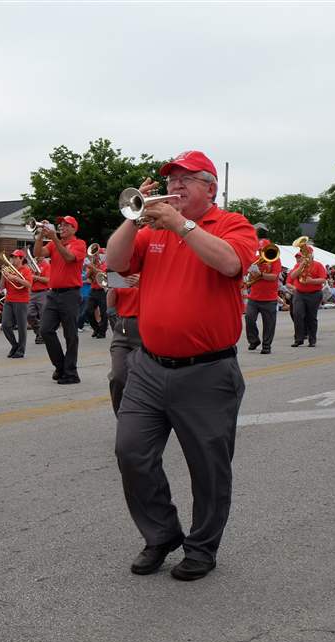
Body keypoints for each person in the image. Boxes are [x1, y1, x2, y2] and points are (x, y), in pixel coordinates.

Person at [105, 150, 257, 582]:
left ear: (210, 187)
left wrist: (182, 226)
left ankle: (202, 546)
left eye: (186, 179)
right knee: (131, 451)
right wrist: (133, 219)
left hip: (208, 371)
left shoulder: (232, 224)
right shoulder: (153, 228)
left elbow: (230, 262)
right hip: (150, 366)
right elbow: (116, 264)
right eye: (172, 179)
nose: (176, 187)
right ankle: (161, 534)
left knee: (208, 467)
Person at [35, 216, 86, 384]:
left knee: (70, 335)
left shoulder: (79, 244)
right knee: (45, 329)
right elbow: (37, 254)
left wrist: (55, 239)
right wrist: (41, 236)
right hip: (53, 294)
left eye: (66, 225)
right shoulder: (53, 243)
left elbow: (69, 258)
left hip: (70, 294)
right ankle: (61, 366)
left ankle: (71, 373)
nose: (62, 227)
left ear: (74, 229)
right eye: (60, 225)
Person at [107, 272, 141, 415]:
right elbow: (110, 305)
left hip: (146, 327)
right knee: (117, 376)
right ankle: (123, 418)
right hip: (122, 328)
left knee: (146, 380)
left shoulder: (153, 270)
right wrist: (111, 289)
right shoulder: (121, 273)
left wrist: (142, 283)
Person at [243, 239, 282, 354]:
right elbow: (250, 278)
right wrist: (251, 275)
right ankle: (254, 341)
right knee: (249, 318)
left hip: (269, 298)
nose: (260, 253)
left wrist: (260, 274)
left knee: (269, 324)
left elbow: (274, 277)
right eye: (259, 250)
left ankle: (266, 346)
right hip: (254, 297)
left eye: (262, 250)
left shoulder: (275, 260)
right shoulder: (255, 260)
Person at [287, 240, 326, 347]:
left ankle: (312, 340)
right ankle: (299, 339)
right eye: (303, 254)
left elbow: (323, 280)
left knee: (311, 317)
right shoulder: (299, 265)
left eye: (306, 254)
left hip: (314, 294)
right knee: (297, 314)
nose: (304, 256)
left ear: (311, 255)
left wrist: (312, 281)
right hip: (300, 293)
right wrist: (301, 267)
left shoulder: (318, 265)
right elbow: (292, 277)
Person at [0, 249, 33, 358]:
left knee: (21, 326)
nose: (13, 259)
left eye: (15, 257)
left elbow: (28, 285)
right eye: (12, 257)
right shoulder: (9, 269)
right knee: (5, 325)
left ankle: (21, 350)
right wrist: (3, 275)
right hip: (9, 300)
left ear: (21, 258)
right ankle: (14, 345)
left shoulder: (26, 270)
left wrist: (15, 278)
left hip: (21, 301)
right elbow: (1, 287)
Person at [84, 244, 109, 338]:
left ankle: (102, 332)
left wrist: (93, 267)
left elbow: (102, 274)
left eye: (97, 254)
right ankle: (96, 328)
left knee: (103, 313)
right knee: (88, 311)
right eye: (94, 254)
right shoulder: (92, 264)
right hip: (93, 290)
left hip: (102, 290)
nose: (95, 256)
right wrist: (91, 267)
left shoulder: (105, 264)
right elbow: (86, 277)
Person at [28, 255, 50, 343]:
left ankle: (42, 335)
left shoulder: (46, 265)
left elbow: (48, 280)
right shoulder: (32, 266)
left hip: (43, 292)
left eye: (39, 254)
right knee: (29, 314)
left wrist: (35, 277)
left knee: (43, 315)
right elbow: (29, 279)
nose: (36, 256)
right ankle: (38, 332)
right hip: (32, 292)